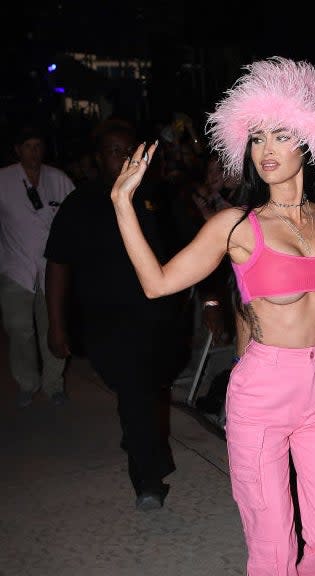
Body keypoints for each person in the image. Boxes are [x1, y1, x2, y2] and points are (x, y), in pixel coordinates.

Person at [110, 57, 315, 576]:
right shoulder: (237, 226)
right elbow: (158, 282)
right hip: (263, 395)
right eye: (257, 137)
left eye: (280, 135)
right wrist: (121, 205)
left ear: (310, 138)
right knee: (273, 545)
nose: (267, 150)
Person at [44, 118, 186, 511]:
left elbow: (187, 249)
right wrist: (56, 325)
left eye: (129, 149)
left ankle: (141, 440)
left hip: (159, 318)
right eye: (113, 150)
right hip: (109, 323)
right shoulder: (82, 203)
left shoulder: (156, 196)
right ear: (97, 158)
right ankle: (148, 480)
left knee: (148, 390)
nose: (123, 157)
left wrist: (209, 302)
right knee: (136, 392)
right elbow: (57, 264)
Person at [0, 125, 75, 407]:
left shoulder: (58, 179)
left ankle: (54, 385)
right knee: (18, 329)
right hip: (14, 268)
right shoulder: (4, 180)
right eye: (28, 146)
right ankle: (26, 383)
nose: (34, 152)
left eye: (38, 146)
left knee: (53, 328)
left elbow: (75, 217)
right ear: (18, 150)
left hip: (52, 270)